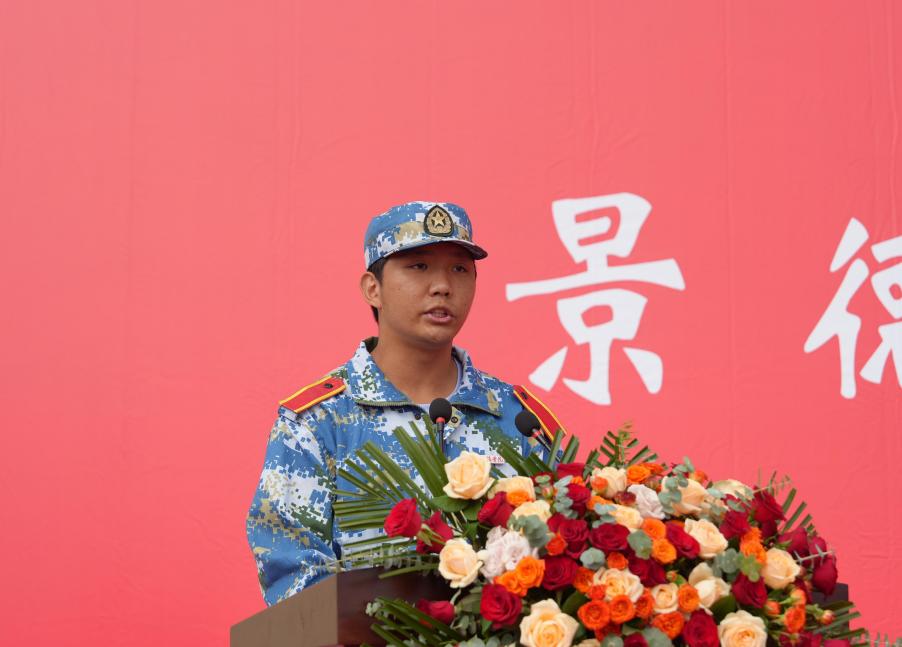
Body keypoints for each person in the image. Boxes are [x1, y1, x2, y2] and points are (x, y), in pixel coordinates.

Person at [245, 201, 567, 606]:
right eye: (419, 266)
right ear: (372, 288)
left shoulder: (518, 419)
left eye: (459, 269)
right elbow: (296, 585)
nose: (442, 286)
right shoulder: (317, 422)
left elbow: (563, 555)